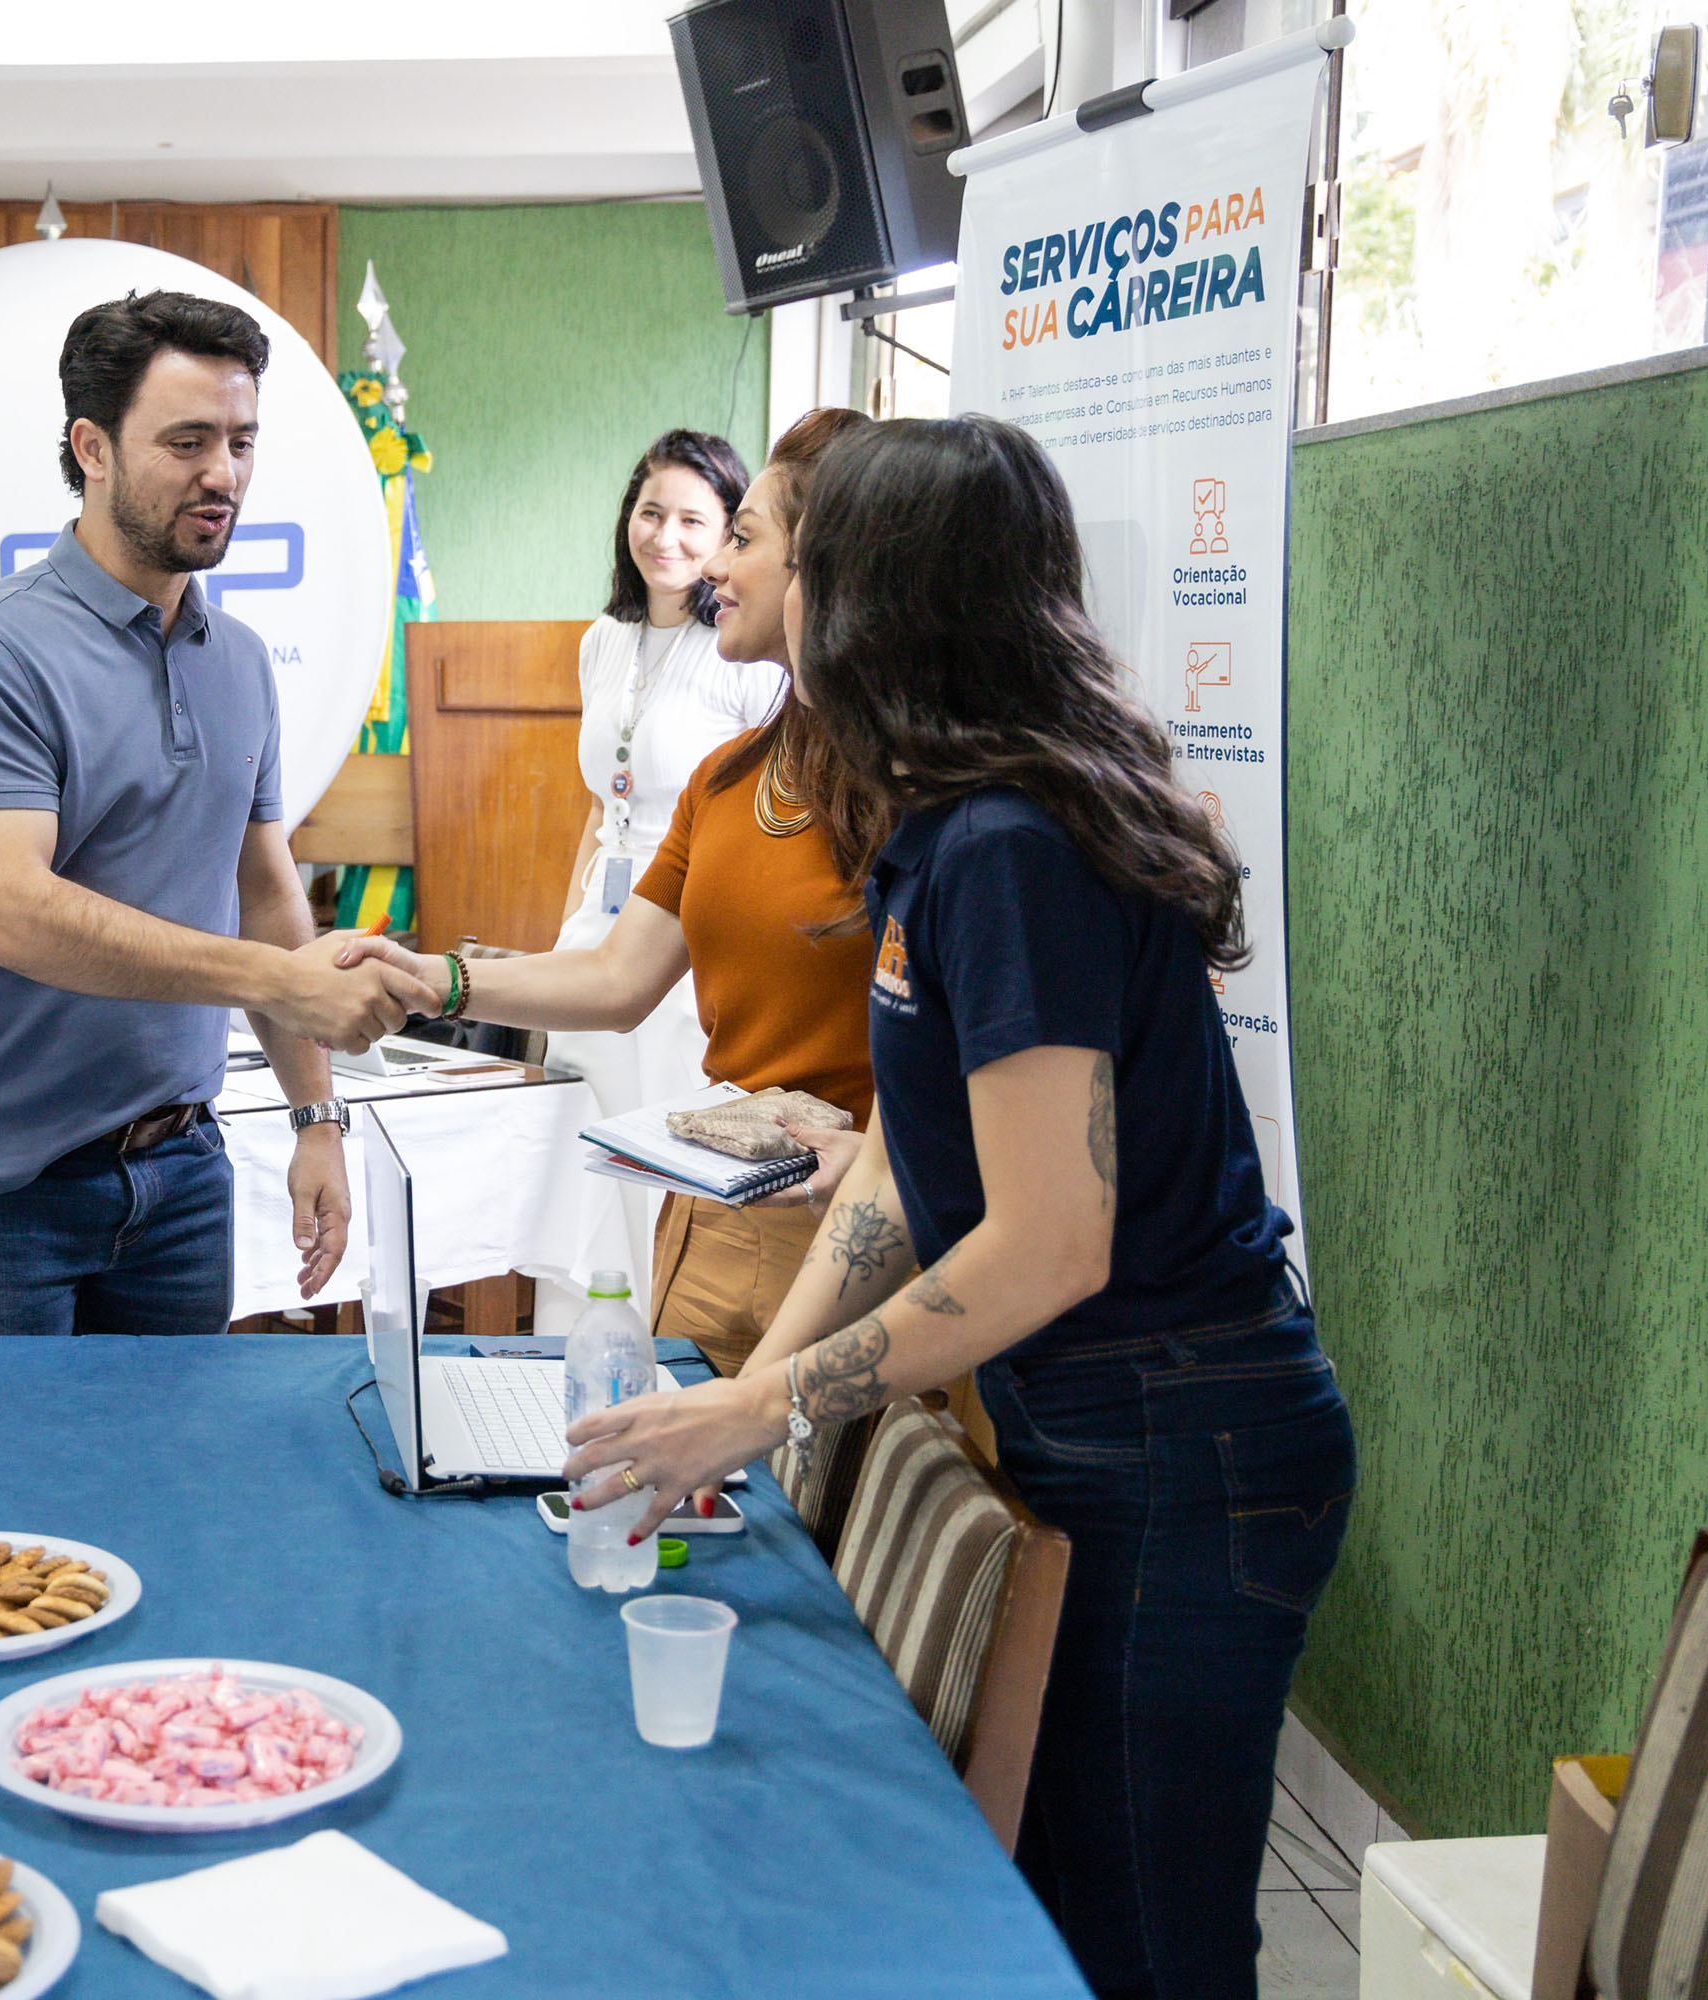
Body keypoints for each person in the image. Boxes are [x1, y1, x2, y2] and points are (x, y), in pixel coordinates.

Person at [563, 415, 1354, 2000]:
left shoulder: (1009, 847)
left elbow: (1046, 1240)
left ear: (872, 598)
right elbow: (918, 1172)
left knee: (1144, 1940)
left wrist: (770, 1399)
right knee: (1053, 1910)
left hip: (1182, 1438)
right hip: (1100, 1417)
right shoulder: (941, 825)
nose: (734, 560)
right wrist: (758, 1400)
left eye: (784, 541)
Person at [0, 290, 440, 1338]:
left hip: (182, 1175)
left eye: (240, 440)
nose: (222, 474)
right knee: (8, 1500)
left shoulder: (241, 665)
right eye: (186, 441)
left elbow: (268, 892)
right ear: (91, 447)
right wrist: (278, 980)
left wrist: (316, 1118)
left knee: (163, 1494)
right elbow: (11, 912)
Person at [342, 409, 887, 1374]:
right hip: (724, 1228)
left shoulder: (909, 795)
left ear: (826, 566)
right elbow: (618, 977)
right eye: (655, 515)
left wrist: (882, 1173)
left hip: (853, 1228)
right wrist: (434, 978)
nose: (708, 562)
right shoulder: (725, 785)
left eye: (736, 535)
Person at [541, 429, 769, 1313]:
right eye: (650, 512)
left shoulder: (745, 652)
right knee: (584, 1159)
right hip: (596, 928)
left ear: (728, 538)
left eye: (692, 520)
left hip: (687, 945)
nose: (664, 537)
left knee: (665, 1160)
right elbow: (600, 810)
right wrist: (559, 945)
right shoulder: (604, 639)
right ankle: (570, 1362)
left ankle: (666, 1365)